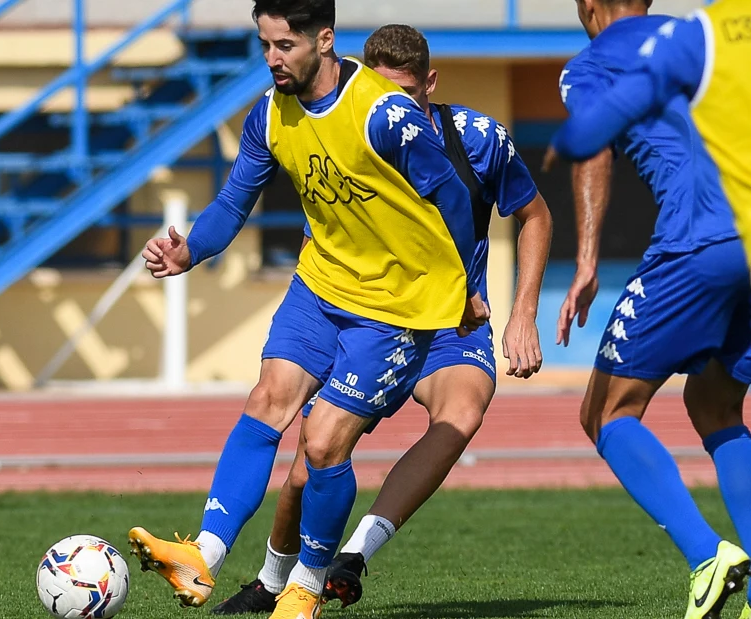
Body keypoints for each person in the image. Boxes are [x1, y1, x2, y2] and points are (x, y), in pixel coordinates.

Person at [127, 1, 491, 617]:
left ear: (324, 40)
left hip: (397, 306)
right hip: (321, 286)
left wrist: (463, 288)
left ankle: (306, 585)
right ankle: (203, 557)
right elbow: (234, 200)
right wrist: (190, 249)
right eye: (264, 45)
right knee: (268, 399)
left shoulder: (385, 114)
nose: (272, 59)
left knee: (322, 445)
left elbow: (453, 197)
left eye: (284, 46)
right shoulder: (270, 114)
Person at [210, 23, 552, 614]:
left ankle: (353, 555)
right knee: (307, 463)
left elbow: (536, 214)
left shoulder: (476, 138)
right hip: (372, 314)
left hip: (453, 322)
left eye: (410, 98)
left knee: (462, 412)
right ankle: (271, 581)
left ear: (432, 86)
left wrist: (523, 312)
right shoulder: (347, 125)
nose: (400, 113)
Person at [551, 1, 751, 618]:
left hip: (697, 242)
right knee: (714, 403)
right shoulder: (709, 43)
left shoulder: (592, 64)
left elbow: (593, 149)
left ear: (587, 6)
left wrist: (586, 259)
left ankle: (706, 557)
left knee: (606, 411)